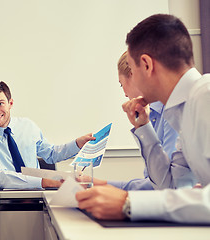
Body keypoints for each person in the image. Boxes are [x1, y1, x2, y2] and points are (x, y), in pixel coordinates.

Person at [76, 14, 210, 223]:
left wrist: (130, 204)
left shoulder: (206, 97)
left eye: (132, 68)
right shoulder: (184, 111)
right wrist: (144, 128)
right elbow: (171, 186)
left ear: (146, 65)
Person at [0, 80, 95, 189]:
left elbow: (51, 155)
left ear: (10, 103)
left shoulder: (27, 126)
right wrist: (47, 182)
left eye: (0, 104)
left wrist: (78, 144)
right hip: (4, 200)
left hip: (38, 194)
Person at [98, 51, 182, 190]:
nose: (124, 93)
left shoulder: (172, 111)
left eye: (121, 84)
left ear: (133, 75)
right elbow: (154, 181)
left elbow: (167, 185)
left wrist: (102, 185)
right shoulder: (150, 114)